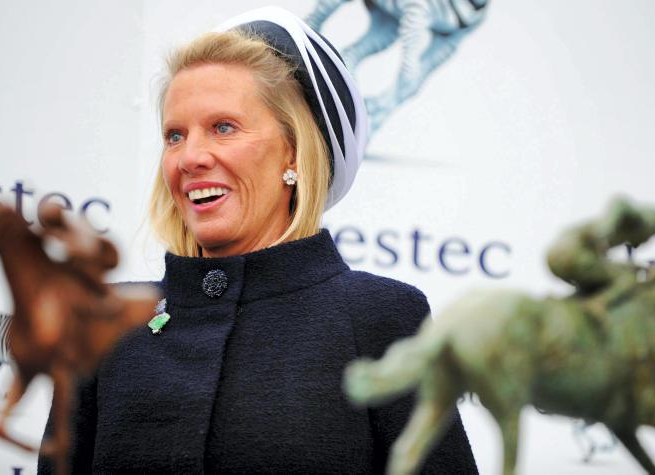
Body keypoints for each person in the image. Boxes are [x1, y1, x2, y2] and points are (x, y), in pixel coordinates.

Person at [38, 7, 477, 473]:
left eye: (223, 127)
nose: (190, 157)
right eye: (174, 135)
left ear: (294, 151)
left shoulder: (380, 317)